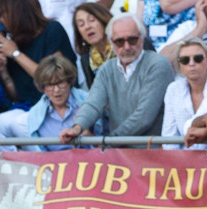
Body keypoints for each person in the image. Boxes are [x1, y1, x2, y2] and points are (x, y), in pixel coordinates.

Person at [58, 14, 175, 142]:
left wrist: (110, 141)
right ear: (111, 42)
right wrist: (77, 128)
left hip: (154, 152)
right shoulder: (107, 68)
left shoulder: (158, 64)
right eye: (119, 41)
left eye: (132, 40)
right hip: (119, 152)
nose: (126, 47)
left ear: (142, 39)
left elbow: (144, 117)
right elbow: (93, 103)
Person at [0, 0, 75, 110]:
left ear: (17, 14)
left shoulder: (52, 30)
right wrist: (3, 70)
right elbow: (17, 97)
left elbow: (54, 77)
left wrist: (16, 54)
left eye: (2, 14)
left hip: (60, 106)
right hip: (28, 109)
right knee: (2, 121)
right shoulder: (14, 45)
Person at [0, 52, 92, 148]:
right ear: (42, 87)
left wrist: (88, 136)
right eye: (50, 85)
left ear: (69, 82)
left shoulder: (88, 101)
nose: (56, 90)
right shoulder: (34, 116)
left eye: (61, 82)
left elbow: (104, 146)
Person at [162, 36, 207, 147]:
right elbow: (169, 136)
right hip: (184, 160)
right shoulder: (173, 89)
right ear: (180, 65)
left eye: (198, 58)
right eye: (185, 60)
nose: (191, 64)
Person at [72, 2, 114, 89]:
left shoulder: (123, 45)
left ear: (104, 21)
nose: (87, 27)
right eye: (81, 24)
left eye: (92, 20)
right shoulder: (86, 59)